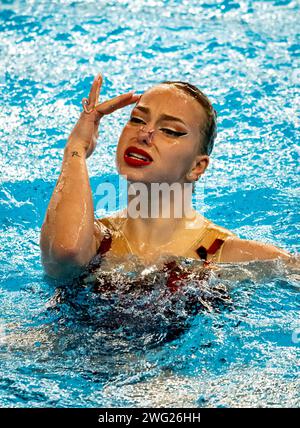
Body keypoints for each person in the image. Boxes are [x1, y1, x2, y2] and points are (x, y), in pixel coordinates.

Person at [40, 72, 291, 281]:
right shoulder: (96, 240)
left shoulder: (222, 254)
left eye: (170, 131)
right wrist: (76, 148)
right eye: (137, 119)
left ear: (197, 167)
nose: (145, 133)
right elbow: (65, 252)